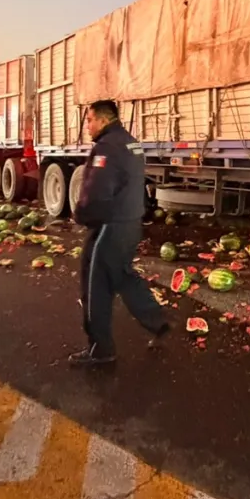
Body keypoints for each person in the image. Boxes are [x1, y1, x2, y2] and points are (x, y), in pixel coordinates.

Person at [70, 100, 169, 366]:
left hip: (109, 227)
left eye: (89, 120)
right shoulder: (130, 142)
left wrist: (81, 216)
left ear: (103, 120)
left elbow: (96, 192)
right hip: (129, 223)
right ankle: (157, 321)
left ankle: (101, 349)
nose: (87, 126)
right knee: (122, 275)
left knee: (96, 286)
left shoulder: (106, 148)